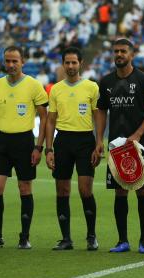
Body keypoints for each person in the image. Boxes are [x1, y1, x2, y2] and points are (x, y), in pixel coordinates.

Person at [0, 45, 48, 249]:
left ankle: (24, 236)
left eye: (14, 61)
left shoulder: (34, 85)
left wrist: (39, 147)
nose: (10, 65)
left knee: (24, 187)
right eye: (7, 61)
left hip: (24, 142)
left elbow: (44, 118)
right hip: (1, 142)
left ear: (22, 62)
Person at [95, 38, 144, 254]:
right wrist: (99, 140)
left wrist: (138, 135)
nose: (119, 54)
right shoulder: (105, 82)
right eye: (116, 51)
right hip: (116, 147)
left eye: (123, 51)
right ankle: (122, 241)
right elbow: (101, 111)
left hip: (139, 146)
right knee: (120, 192)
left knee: (142, 190)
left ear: (132, 54)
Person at [45, 47, 101, 251]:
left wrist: (99, 141)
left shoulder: (92, 87)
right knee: (62, 190)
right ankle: (66, 238)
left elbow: (98, 116)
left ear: (81, 64)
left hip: (85, 141)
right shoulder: (56, 89)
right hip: (63, 141)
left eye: (74, 63)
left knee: (85, 189)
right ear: (63, 64)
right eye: (67, 63)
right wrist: (48, 148)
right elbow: (50, 121)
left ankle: (91, 236)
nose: (70, 66)